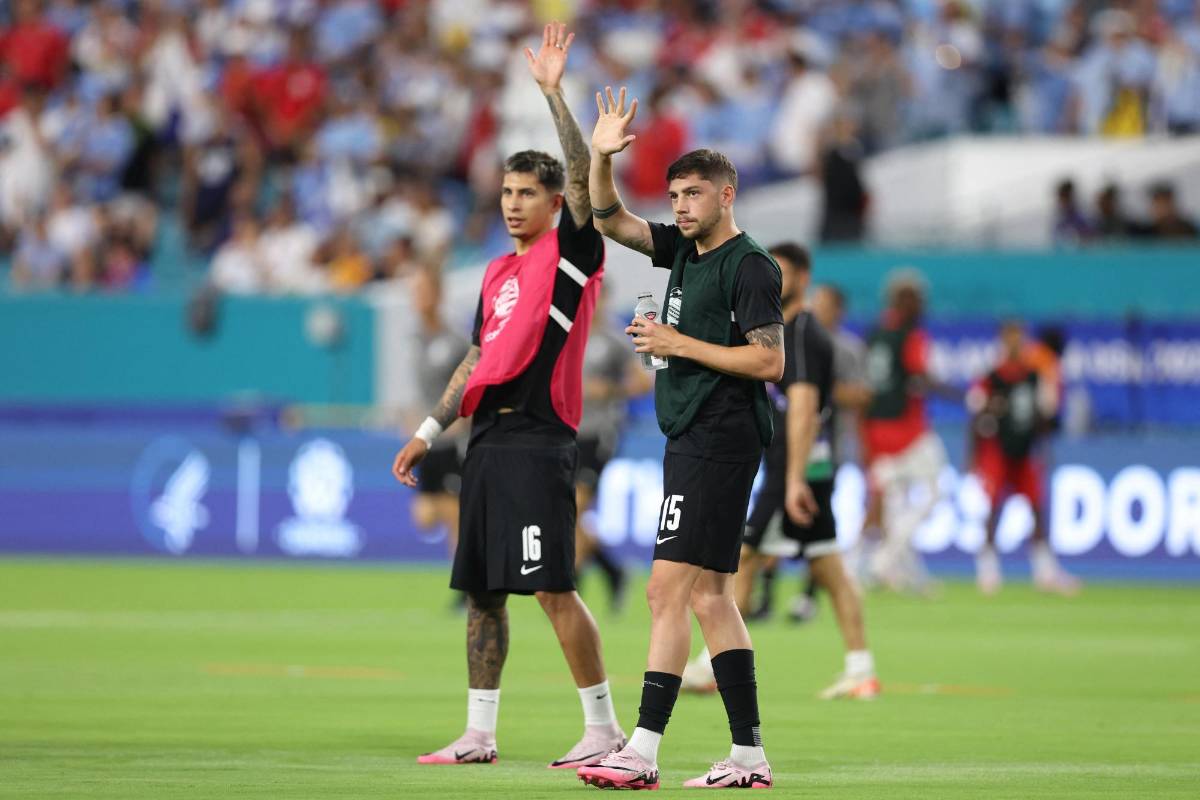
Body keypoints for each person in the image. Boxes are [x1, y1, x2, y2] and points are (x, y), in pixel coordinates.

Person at [391, 24, 625, 769]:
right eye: (507, 193)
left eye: (529, 193)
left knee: (553, 588)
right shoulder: (495, 274)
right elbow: (474, 356)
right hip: (484, 441)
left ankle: (603, 727)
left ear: (557, 203)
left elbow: (587, 176)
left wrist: (554, 94)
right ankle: (479, 735)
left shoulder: (571, 256)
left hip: (538, 438)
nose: (514, 204)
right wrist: (432, 429)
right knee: (482, 593)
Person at [578, 88, 783, 790]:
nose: (681, 206)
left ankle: (641, 749)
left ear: (726, 195)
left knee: (666, 591)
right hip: (694, 433)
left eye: (694, 194)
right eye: (674, 194)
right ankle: (749, 759)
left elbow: (770, 360)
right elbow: (610, 220)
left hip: (721, 437)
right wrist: (601, 157)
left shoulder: (748, 265)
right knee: (709, 598)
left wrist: (679, 343)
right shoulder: (683, 251)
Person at [684, 245, 880, 702]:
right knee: (829, 566)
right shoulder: (780, 330)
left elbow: (806, 405)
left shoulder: (804, 331)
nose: (774, 279)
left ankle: (711, 664)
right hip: (801, 467)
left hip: (797, 471)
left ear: (804, 278)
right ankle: (861, 669)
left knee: (745, 556)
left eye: (783, 272)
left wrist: (792, 481)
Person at [855, 270, 949, 594]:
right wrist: (964, 395)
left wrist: (863, 434)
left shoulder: (874, 332)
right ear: (904, 300)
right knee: (937, 491)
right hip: (907, 431)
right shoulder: (911, 334)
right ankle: (883, 560)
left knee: (891, 503)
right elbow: (920, 376)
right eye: (917, 298)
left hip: (876, 430)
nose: (923, 304)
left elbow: (865, 386)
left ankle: (900, 569)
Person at [970, 321, 1080, 596]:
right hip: (997, 451)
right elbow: (975, 415)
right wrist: (973, 456)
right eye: (1010, 340)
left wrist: (1041, 447)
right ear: (1002, 342)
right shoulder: (991, 377)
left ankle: (1045, 571)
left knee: (1035, 509)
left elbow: (1046, 416)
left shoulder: (1035, 376)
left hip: (1026, 450)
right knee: (994, 508)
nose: (1015, 345)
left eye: (1019, 339)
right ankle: (988, 569)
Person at [574, 285, 649, 612]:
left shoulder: (614, 340)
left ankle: (570, 586)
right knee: (565, 512)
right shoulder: (567, 337)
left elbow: (645, 381)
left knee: (573, 507)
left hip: (600, 432)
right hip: (568, 432)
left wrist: (612, 389)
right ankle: (612, 571)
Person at [407, 267, 470, 602]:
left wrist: (463, 418)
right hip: (427, 438)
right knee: (426, 516)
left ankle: (465, 586)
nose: (417, 298)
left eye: (422, 290)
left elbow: (473, 383)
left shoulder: (455, 340)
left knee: (453, 512)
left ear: (438, 294)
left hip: (452, 440)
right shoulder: (417, 339)